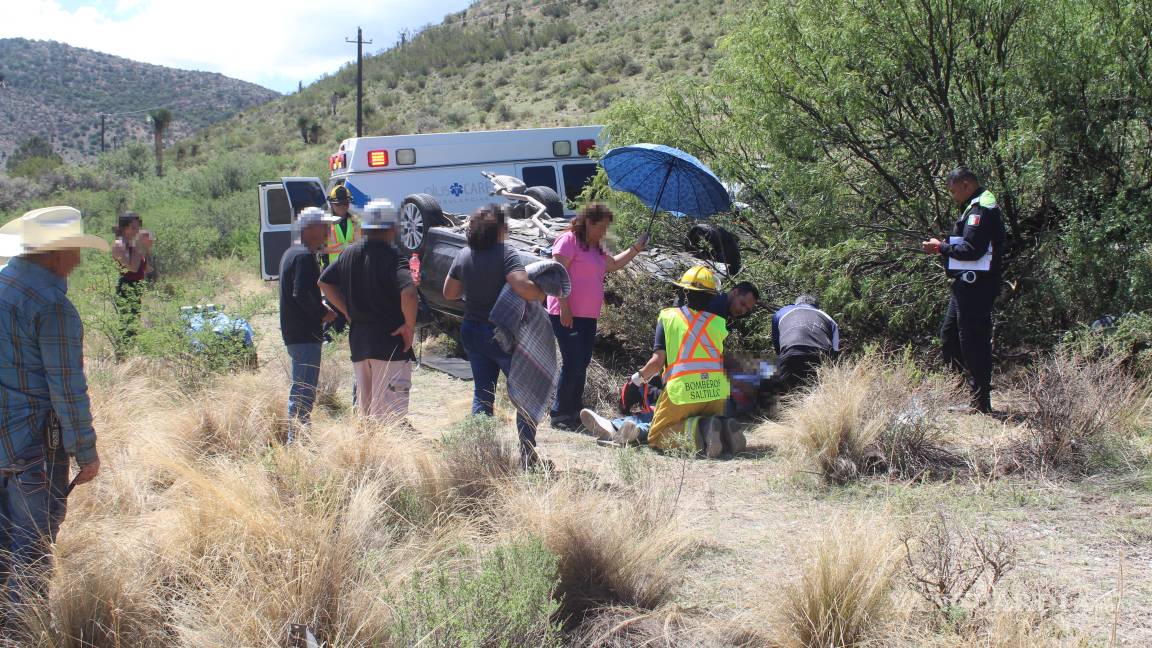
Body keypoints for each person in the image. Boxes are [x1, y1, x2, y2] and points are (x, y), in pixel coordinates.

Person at [0, 206, 103, 614]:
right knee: (32, 549)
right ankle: (21, 633)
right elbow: (67, 388)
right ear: (55, 253)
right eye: (74, 250)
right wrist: (85, 451)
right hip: (34, 449)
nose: (77, 260)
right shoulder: (52, 306)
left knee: (5, 544)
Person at [443, 205, 548, 468]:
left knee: (483, 394)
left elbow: (449, 293)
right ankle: (527, 456)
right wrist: (541, 292)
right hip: (502, 334)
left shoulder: (464, 254)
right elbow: (522, 286)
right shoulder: (506, 253)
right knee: (525, 394)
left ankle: (481, 457)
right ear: (500, 229)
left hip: (472, 330)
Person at [621, 266, 744, 458]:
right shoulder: (718, 323)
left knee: (656, 436)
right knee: (697, 414)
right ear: (712, 297)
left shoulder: (668, 317)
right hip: (716, 392)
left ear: (685, 292)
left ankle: (699, 432)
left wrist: (635, 380)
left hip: (682, 392)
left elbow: (657, 362)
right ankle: (722, 428)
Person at [546, 203, 647, 431]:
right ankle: (559, 414)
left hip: (588, 316)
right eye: (601, 226)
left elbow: (615, 264)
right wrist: (564, 307)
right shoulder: (568, 240)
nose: (604, 232)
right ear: (588, 222)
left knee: (581, 362)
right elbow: (557, 274)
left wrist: (636, 248)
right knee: (572, 362)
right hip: (567, 313)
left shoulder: (596, 248)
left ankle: (574, 411)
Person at [318, 199, 417, 424]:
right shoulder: (393, 256)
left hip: (360, 341)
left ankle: (367, 446)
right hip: (389, 341)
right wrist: (409, 327)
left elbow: (324, 282)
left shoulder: (349, 253)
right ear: (392, 228)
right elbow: (409, 293)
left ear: (364, 227)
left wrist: (347, 312)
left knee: (367, 411)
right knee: (391, 416)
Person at [922, 167, 1007, 414]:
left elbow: (972, 249)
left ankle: (980, 401)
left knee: (974, 342)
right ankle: (962, 392)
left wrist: (941, 248)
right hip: (964, 285)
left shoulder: (982, 208)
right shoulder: (973, 205)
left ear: (966, 185)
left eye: (953, 191)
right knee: (950, 337)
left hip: (977, 286)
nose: (953, 196)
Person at [280, 206, 338, 443]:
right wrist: (324, 313)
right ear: (310, 228)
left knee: (302, 389)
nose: (328, 232)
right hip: (304, 335)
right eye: (324, 227)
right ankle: (297, 443)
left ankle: (299, 439)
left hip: (297, 334)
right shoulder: (303, 256)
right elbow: (301, 294)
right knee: (303, 391)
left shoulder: (292, 253)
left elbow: (301, 293)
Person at [771, 294, 840, 391]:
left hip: (790, 353)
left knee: (787, 394)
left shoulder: (781, 312)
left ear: (796, 304)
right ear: (817, 307)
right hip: (820, 356)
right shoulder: (828, 318)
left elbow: (777, 346)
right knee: (816, 392)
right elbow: (835, 352)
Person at [110, 212, 153, 350]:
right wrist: (139, 247)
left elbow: (146, 269)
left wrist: (146, 248)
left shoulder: (132, 244)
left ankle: (128, 354)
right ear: (125, 228)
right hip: (126, 288)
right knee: (127, 326)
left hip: (136, 287)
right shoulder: (119, 245)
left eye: (138, 227)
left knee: (133, 326)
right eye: (134, 227)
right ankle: (122, 355)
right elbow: (132, 268)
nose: (137, 231)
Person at [320, 185, 359, 337]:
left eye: (345, 204)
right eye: (339, 204)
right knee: (334, 305)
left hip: (351, 270)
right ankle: (329, 337)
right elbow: (320, 248)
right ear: (331, 204)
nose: (342, 207)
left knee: (351, 304)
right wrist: (343, 247)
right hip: (332, 272)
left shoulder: (354, 221)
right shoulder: (324, 223)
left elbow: (360, 243)